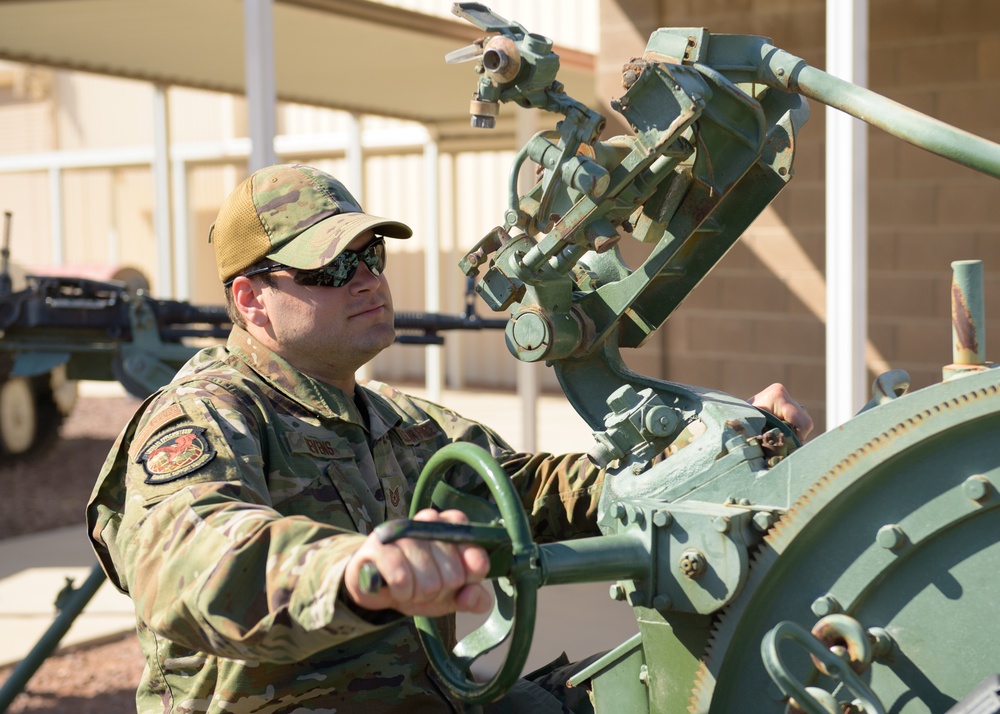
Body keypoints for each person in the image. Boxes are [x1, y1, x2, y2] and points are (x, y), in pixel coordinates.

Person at [87, 163, 812, 714]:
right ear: (252, 302)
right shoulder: (203, 416)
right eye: (333, 268)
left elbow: (540, 489)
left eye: (372, 257)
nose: (367, 280)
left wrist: (715, 454)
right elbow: (192, 557)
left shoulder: (402, 423)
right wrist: (356, 572)